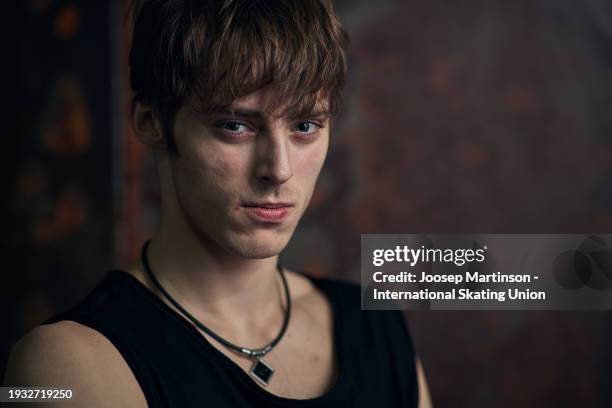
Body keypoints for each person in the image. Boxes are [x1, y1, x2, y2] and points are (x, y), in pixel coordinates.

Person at [3, 0, 433, 406]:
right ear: (150, 121)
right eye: (235, 126)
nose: (278, 169)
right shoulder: (62, 367)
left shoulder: (378, 328)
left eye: (304, 125)